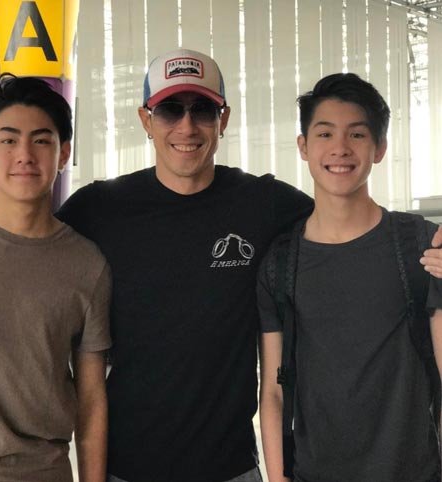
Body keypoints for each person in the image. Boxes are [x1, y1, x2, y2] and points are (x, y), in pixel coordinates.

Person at [56, 48, 442, 482]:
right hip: (128, 468)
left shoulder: (263, 203)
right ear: (146, 120)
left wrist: (428, 241)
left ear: (223, 119)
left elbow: (346, 215)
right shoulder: (99, 208)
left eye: (203, 110)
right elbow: (30, 251)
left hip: (233, 468)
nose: (187, 126)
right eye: (170, 110)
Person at [257, 73, 442, 482]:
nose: (340, 148)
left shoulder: (420, 245)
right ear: (303, 146)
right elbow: (272, 390)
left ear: (380, 148)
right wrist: (278, 477)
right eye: (325, 133)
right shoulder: (280, 263)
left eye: (357, 134)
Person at [0, 74, 111, 482]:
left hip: (43, 471)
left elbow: (91, 401)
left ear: (63, 153)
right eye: (8, 139)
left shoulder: (88, 264)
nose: (24, 155)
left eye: (41, 140)